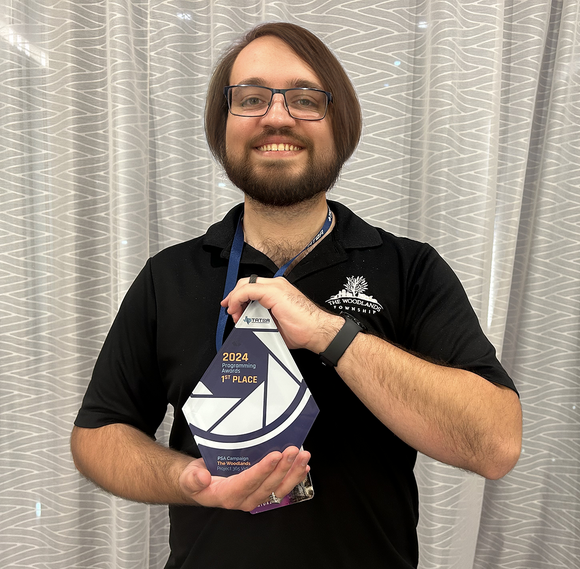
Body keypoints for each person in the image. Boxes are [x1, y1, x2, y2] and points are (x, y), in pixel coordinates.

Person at [71, 22, 522, 569]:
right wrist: (186, 480)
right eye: (252, 98)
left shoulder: (409, 269)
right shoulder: (168, 277)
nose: (277, 116)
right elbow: (97, 433)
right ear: (224, 126)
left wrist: (331, 334)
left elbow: (496, 444)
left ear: (341, 126)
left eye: (306, 99)